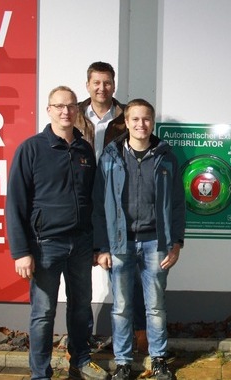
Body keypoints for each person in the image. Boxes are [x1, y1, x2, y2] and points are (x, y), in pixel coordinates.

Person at [6, 86, 108, 380]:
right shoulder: (31, 149)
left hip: (81, 244)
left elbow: (93, 201)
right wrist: (21, 252)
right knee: (43, 313)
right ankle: (40, 373)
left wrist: (97, 244)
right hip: (45, 245)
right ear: (49, 110)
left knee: (81, 308)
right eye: (60, 106)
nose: (66, 111)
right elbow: (15, 202)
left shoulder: (84, 150)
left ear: (77, 110)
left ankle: (81, 361)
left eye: (71, 106)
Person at [93, 99, 185, 380]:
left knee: (155, 306)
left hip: (156, 243)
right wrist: (102, 247)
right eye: (135, 119)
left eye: (146, 119)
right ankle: (123, 362)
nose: (141, 124)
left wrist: (176, 243)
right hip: (120, 244)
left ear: (152, 122)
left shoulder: (166, 157)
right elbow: (98, 205)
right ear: (126, 122)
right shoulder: (110, 157)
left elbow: (177, 204)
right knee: (121, 307)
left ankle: (158, 359)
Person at [76, 61, 148, 354]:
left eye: (107, 82)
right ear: (88, 85)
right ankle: (81, 340)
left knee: (127, 276)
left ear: (114, 85)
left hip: (116, 201)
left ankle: (138, 335)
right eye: (96, 82)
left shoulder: (125, 116)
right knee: (80, 278)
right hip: (81, 202)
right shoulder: (74, 115)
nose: (102, 88)